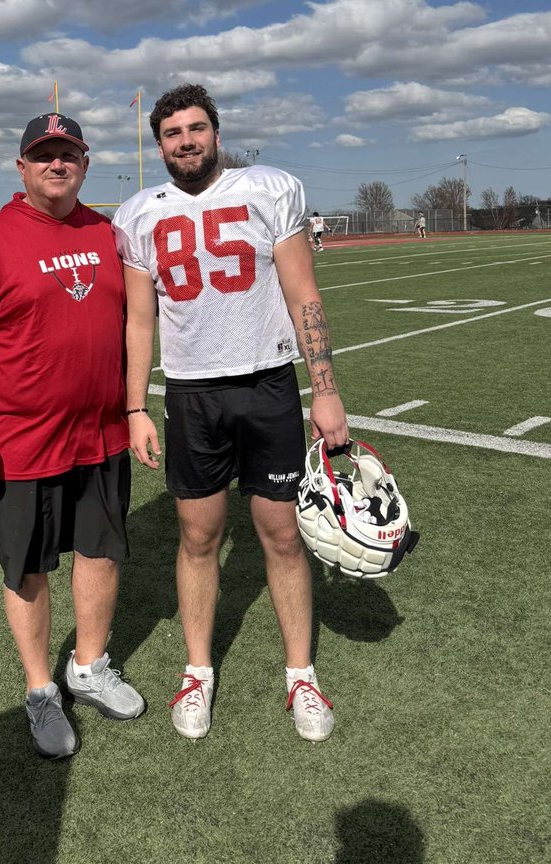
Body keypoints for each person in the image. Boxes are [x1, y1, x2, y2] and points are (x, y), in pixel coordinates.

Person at [112, 84, 348, 743]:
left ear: (216, 134)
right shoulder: (139, 214)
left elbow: (303, 293)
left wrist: (325, 388)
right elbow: (138, 321)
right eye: (172, 133)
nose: (185, 141)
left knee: (282, 535)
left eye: (195, 129)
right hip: (191, 394)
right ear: (159, 145)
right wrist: (134, 406)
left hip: (267, 383)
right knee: (198, 538)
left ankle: (300, 675)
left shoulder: (268, 190)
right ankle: (197, 672)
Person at [0, 112, 145, 760]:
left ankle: (88, 665)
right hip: (20, 443)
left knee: (100, 553)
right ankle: (40, 690)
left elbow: (136, 322)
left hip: (101, 434)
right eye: (44, 154)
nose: (57, 164)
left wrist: (134, 410)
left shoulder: (108, 234)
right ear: (22, 167)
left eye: (68, 154)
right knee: (27, 566)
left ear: (84, 164)